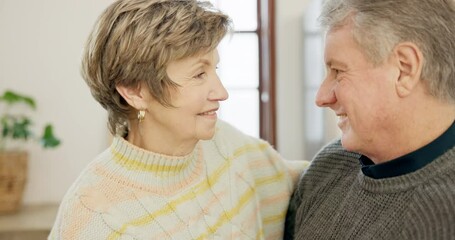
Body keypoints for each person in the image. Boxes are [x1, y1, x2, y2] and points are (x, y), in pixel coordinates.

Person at [48, 0, 309, 239]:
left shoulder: (225, 144)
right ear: (135, 90)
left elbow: (311, 181)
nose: (221, 92)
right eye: (198, 75)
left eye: (214, 69)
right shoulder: (94, 217)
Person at [286, 0, 455, 239]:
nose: (322, 98)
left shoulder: (445, 217)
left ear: (405, 69)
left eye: (338, 71)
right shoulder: (329, 165)